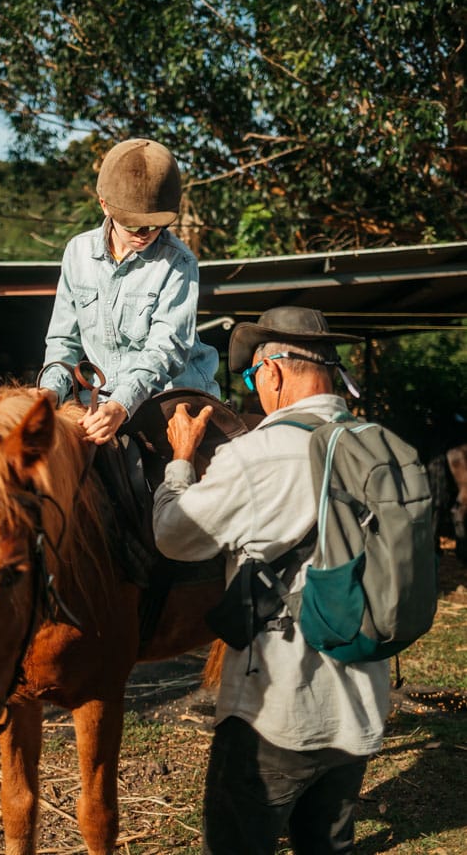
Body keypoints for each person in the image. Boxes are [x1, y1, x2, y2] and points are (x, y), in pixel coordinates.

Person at [152, 306, 391, 855]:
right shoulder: (378, 443)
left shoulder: (255, 454)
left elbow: (173, 534)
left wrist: (181, 463)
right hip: (361, 707)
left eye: (253, 378)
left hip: (277, 714)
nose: (255, 389)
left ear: (275, 372)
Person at [40, 137, 220, 444]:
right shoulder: (77, 253)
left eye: (156, 225)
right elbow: (63, 340)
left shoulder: (180, 262)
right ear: (104, 205)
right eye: (134, 225)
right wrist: (48, 393)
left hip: (167, 396)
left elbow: (166, 350)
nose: (145, 234)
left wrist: (121, 404)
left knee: (174, 482)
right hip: (96, 398)